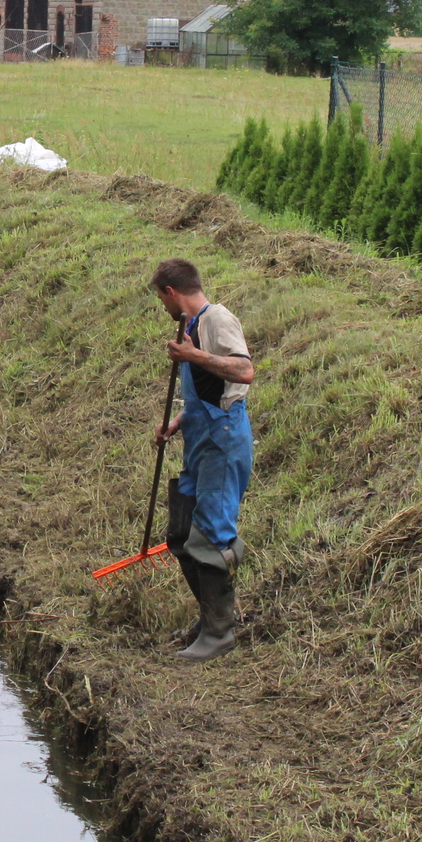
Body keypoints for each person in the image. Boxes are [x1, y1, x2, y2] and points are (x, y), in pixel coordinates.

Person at [153, 257, 255, 661]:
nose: (163, 308)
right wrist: (177, 422)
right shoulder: (191, 327)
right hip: (198, 438)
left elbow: (244, 372)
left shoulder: (217, 319)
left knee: (210, 534)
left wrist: (193, 357)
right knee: (180, 531)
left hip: (222, 440)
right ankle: (208, 618)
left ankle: (220, 634)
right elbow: (207, 390)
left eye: (161, 300)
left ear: (171, 292)